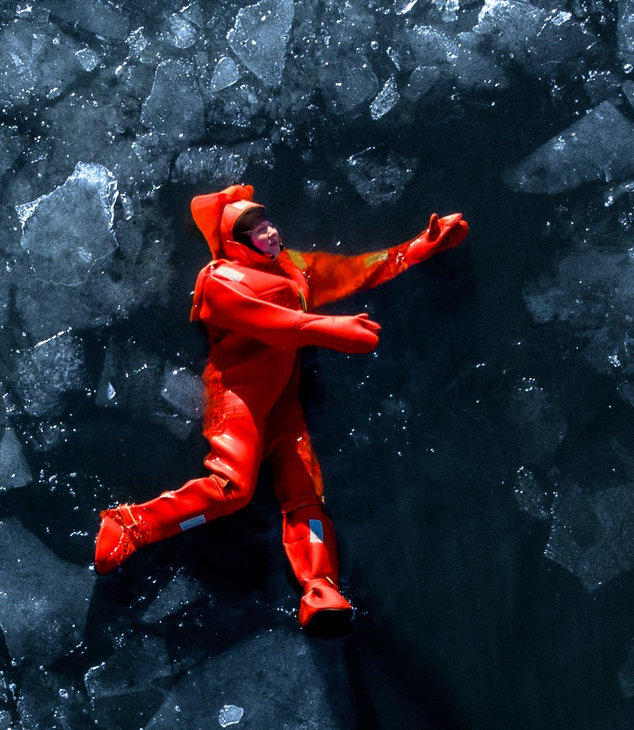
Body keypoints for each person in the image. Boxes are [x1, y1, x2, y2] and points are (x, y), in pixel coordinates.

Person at [93, 183, 468, 636]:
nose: (268, 232)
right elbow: (271, 321)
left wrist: (419, 248)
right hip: (239, 394)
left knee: (304, 490)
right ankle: (134, 522)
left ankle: (319, 586)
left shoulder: (293, 267)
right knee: (234, 488)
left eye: (266, 222)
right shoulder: (219, 281)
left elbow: (355, 271)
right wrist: (329, 329)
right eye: (254, 230)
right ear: (237, 242)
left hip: (283, 393)